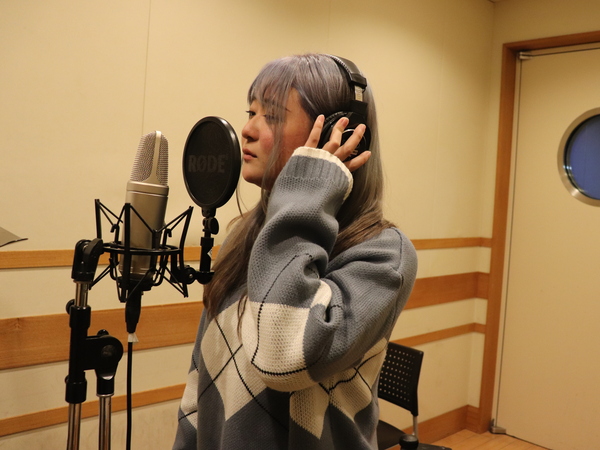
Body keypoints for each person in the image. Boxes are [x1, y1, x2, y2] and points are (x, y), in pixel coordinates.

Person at [173, 53, 417, 450]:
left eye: (271, 116)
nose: (247, 130)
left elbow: (283, 358)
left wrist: (310, 186)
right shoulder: (243, 239)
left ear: (340, 134)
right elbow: (200, 380)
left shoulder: (383, 254)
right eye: (250, 112)